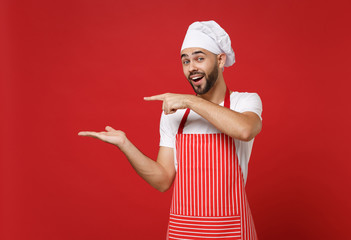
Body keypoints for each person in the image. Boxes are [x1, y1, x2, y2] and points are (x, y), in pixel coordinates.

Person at [78, 20, 262, 240]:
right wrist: (125, 144)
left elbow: (244, 130)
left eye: (199, 58)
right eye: (185, 61)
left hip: (230, 230)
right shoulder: (175, 114)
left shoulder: (245, 102)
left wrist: (190, 101)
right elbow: (163, 180)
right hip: (183, 231)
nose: (191, 67)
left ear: (220, 59)